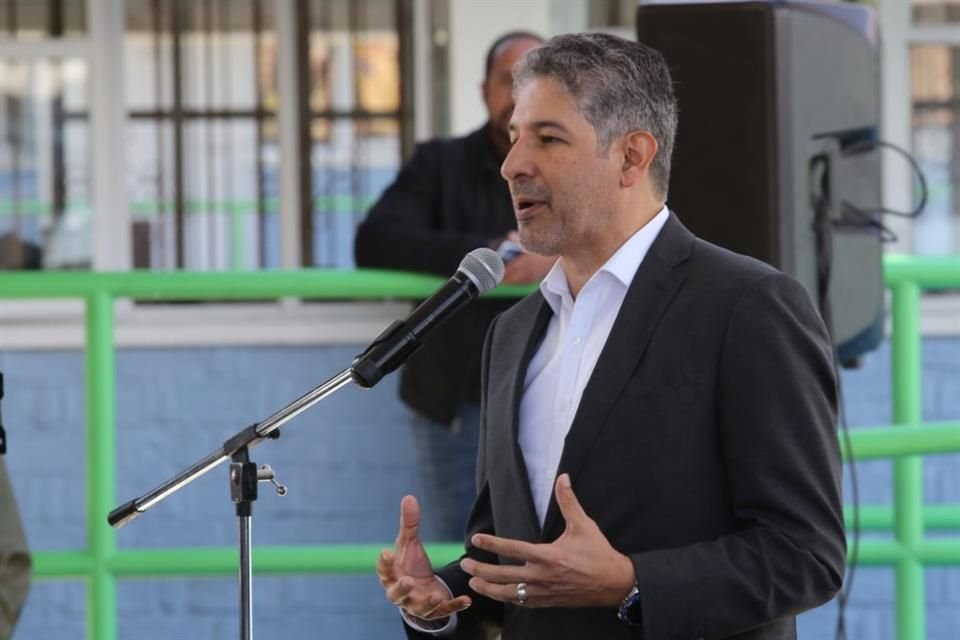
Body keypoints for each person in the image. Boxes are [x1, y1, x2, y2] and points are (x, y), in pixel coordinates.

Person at [376, 33, 846, 639]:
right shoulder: (510, 334)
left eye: (548, 138)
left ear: (632, 157)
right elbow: (512, 560)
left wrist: (631, 582)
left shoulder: (749, 307)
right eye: (516, 135)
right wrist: (440, 598)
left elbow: (806, 555)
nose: (513, 163)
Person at [355, 32, 553, 540]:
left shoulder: (576, 166)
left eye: (532, 81)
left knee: (551, 559)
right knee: (467, 560)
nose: (516, 93)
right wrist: (494, 256)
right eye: (507, 80)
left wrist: (551, 257)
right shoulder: (439, 164)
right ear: (482, 89)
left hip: (559, 392)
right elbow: (375, 241)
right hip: (459, 402)